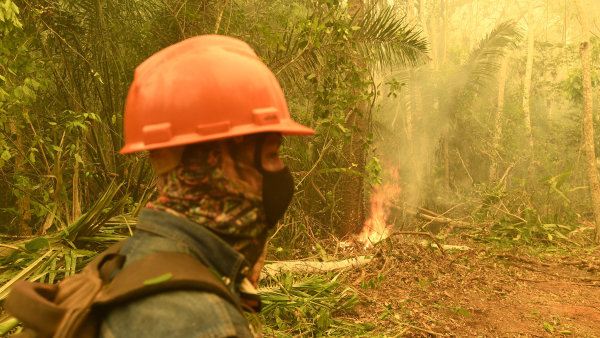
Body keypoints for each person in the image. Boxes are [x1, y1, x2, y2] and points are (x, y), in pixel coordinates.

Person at [100, 35, 314, 337]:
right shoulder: (203, 325)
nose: (282, 173)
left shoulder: (130, 262)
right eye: (271, 154)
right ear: (215, 161)